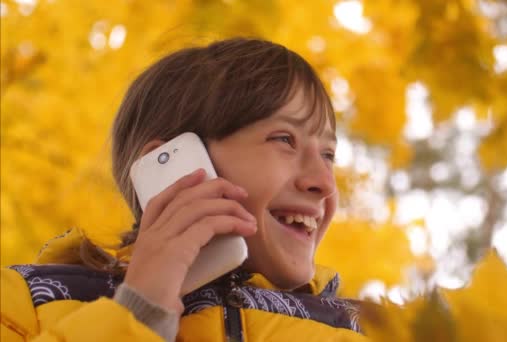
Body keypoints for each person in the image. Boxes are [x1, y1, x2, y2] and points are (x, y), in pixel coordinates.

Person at [1, 38, 367, 341]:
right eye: (284, 139)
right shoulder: (23, 301)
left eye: (328, 154)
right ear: (175, 165)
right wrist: (138, 311)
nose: (324, 183)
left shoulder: (367, 330)